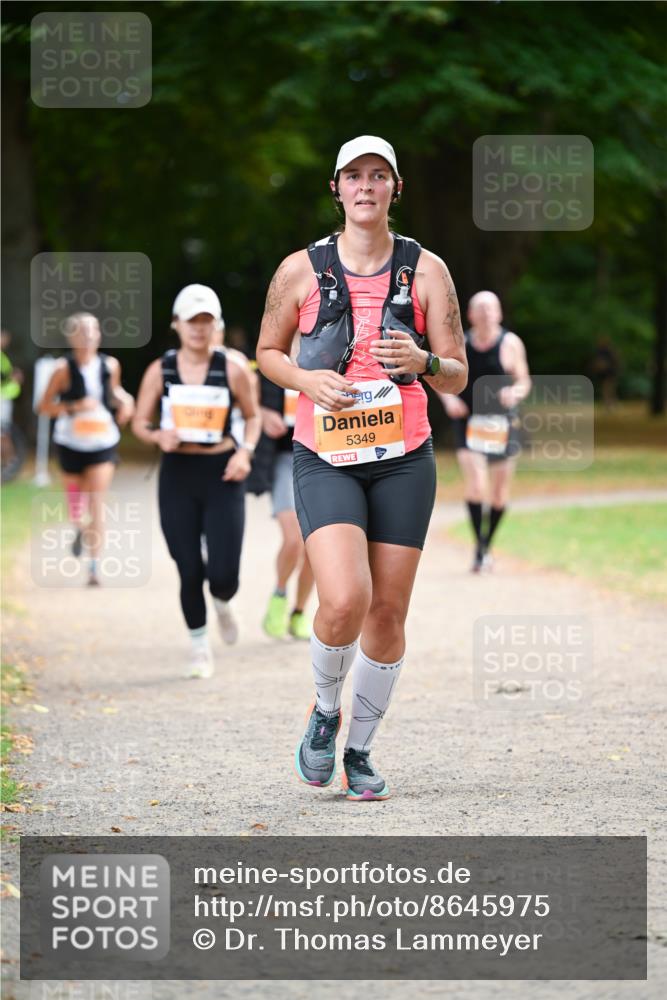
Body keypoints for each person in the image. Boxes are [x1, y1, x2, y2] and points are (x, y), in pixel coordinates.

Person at [256, 135, 467, 800]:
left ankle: (361, 750)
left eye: (379, 176)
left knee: (386, 612)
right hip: (327, 456)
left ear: (394, 189)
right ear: (336, 188)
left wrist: (426, 364)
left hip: (404, 457)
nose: (366, 187)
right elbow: (266, 350)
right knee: (343, 599)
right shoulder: (299, 270)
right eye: (354, 176)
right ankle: (324, 711)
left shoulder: (427, 271)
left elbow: (458, 373)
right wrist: (306, 381)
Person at [132, 284, 260, 679]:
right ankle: (200, 646)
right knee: (188, 566)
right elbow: (138, 421)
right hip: (178, 476)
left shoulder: (233, 369)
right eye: (191, 321)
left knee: (223, 574)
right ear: (177, 324)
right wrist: (157, 436)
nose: (199, 329)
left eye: (206, 321)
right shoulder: (161, 370)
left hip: (222, 473)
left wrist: (244, 452)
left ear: (215, 326)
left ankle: (223, 601)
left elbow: (252, 418)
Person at [38, 313, 134, 585]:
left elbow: (114, 392)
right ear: (71, 337)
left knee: (96, 501)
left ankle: (94, 567)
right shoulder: (62, 369)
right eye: (82, 332)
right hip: (70, 443)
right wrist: (73, 407)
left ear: (99, 335)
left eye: (93, 331)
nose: (88, 337)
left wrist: (126, 401)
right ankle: (79, 526)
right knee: (75, 503)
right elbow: (43, 406)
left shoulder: (110, 365)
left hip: (102, 442)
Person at [438, 291, 531, 572]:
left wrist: (514, 393)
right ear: (470, 315)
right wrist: (450, 400)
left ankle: (486, 545)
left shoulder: (511, 343)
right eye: (479, 309)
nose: (485, 314)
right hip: (469, 422)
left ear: (499, 313)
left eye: (490, 309)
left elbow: (524, 381)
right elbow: (439, 378)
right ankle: (479, 550)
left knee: (500, 494)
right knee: (477, 485)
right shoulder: (460, 343)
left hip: (501, 424)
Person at [257, 369, 315, 640]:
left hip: (321, 460)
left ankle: (300, 612)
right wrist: (261, 412)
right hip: (283, 459)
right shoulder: (268, 364)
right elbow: (237, 400)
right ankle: (279, 595)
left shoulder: (328, 355)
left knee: (317, 547)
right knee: (294, 540)